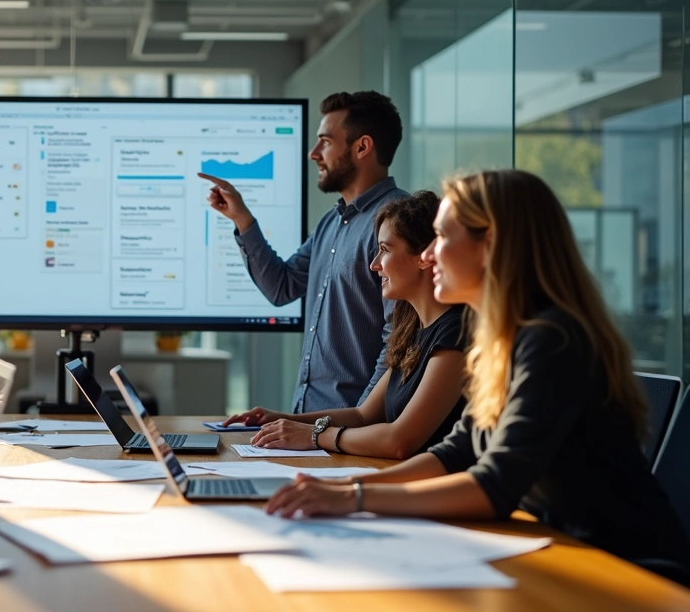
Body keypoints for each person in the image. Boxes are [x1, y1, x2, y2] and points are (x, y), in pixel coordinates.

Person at [263, 169, 690, 584]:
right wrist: (343, 488)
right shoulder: (503, 340)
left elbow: (494, 484)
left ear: (491, 245)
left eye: (443, 236)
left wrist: (353, 498)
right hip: (563, 552)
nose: (429, 255)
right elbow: (456, 452)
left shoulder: (552, 339)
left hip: (627, 570)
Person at [203, 91, 408, 414]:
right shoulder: (332, 222)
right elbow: (281, 288)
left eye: (325, 141)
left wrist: (358, 420)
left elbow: (397, 340)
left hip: (349, 432)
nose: (314, 153)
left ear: (362, 147)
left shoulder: (397, 220)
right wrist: (242, 218)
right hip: (310, 423)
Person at [222, 191, 468, 459]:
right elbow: (363, 415)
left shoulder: (454, 334)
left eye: (384, 250)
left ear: (424, 256)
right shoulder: (413, 332)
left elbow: (400, 441)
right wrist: (283, 420)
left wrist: (315, 436)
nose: (374, 265)